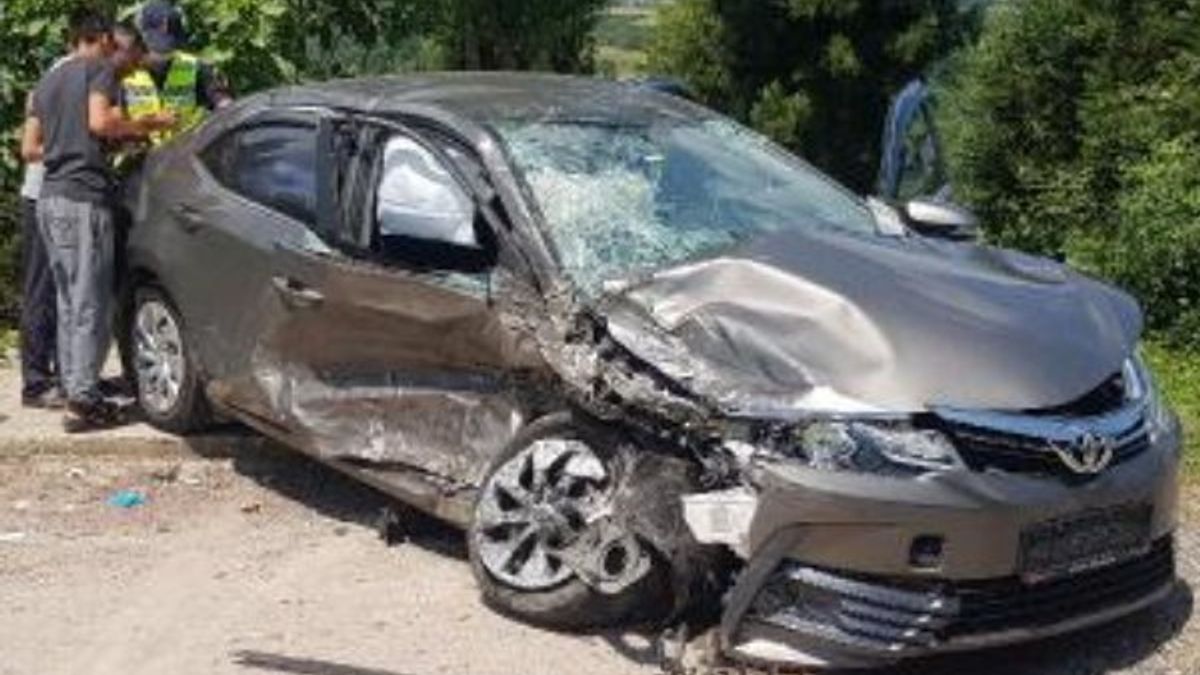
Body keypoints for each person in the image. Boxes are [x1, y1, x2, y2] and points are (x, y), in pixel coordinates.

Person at [23, 8, 175, 432]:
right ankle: (83, 402)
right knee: (91, 301)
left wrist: (80, 148)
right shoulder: (98, 70)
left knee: (69, 300)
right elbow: (100, 121)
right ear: (105, 38)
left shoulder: (48, 80)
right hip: (83, 198)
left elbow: (32, 147)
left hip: (50, 198)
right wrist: (146, 124)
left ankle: (75, 388)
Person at [126, 0, 232, 145]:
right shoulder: (122, 72)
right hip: (141, 156)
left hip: (189, 153)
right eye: (155, 43)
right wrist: (150, 124)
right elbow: (107, 125)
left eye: (171, 43)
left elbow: (226, 107)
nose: (165, 51)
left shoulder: (197, 68)